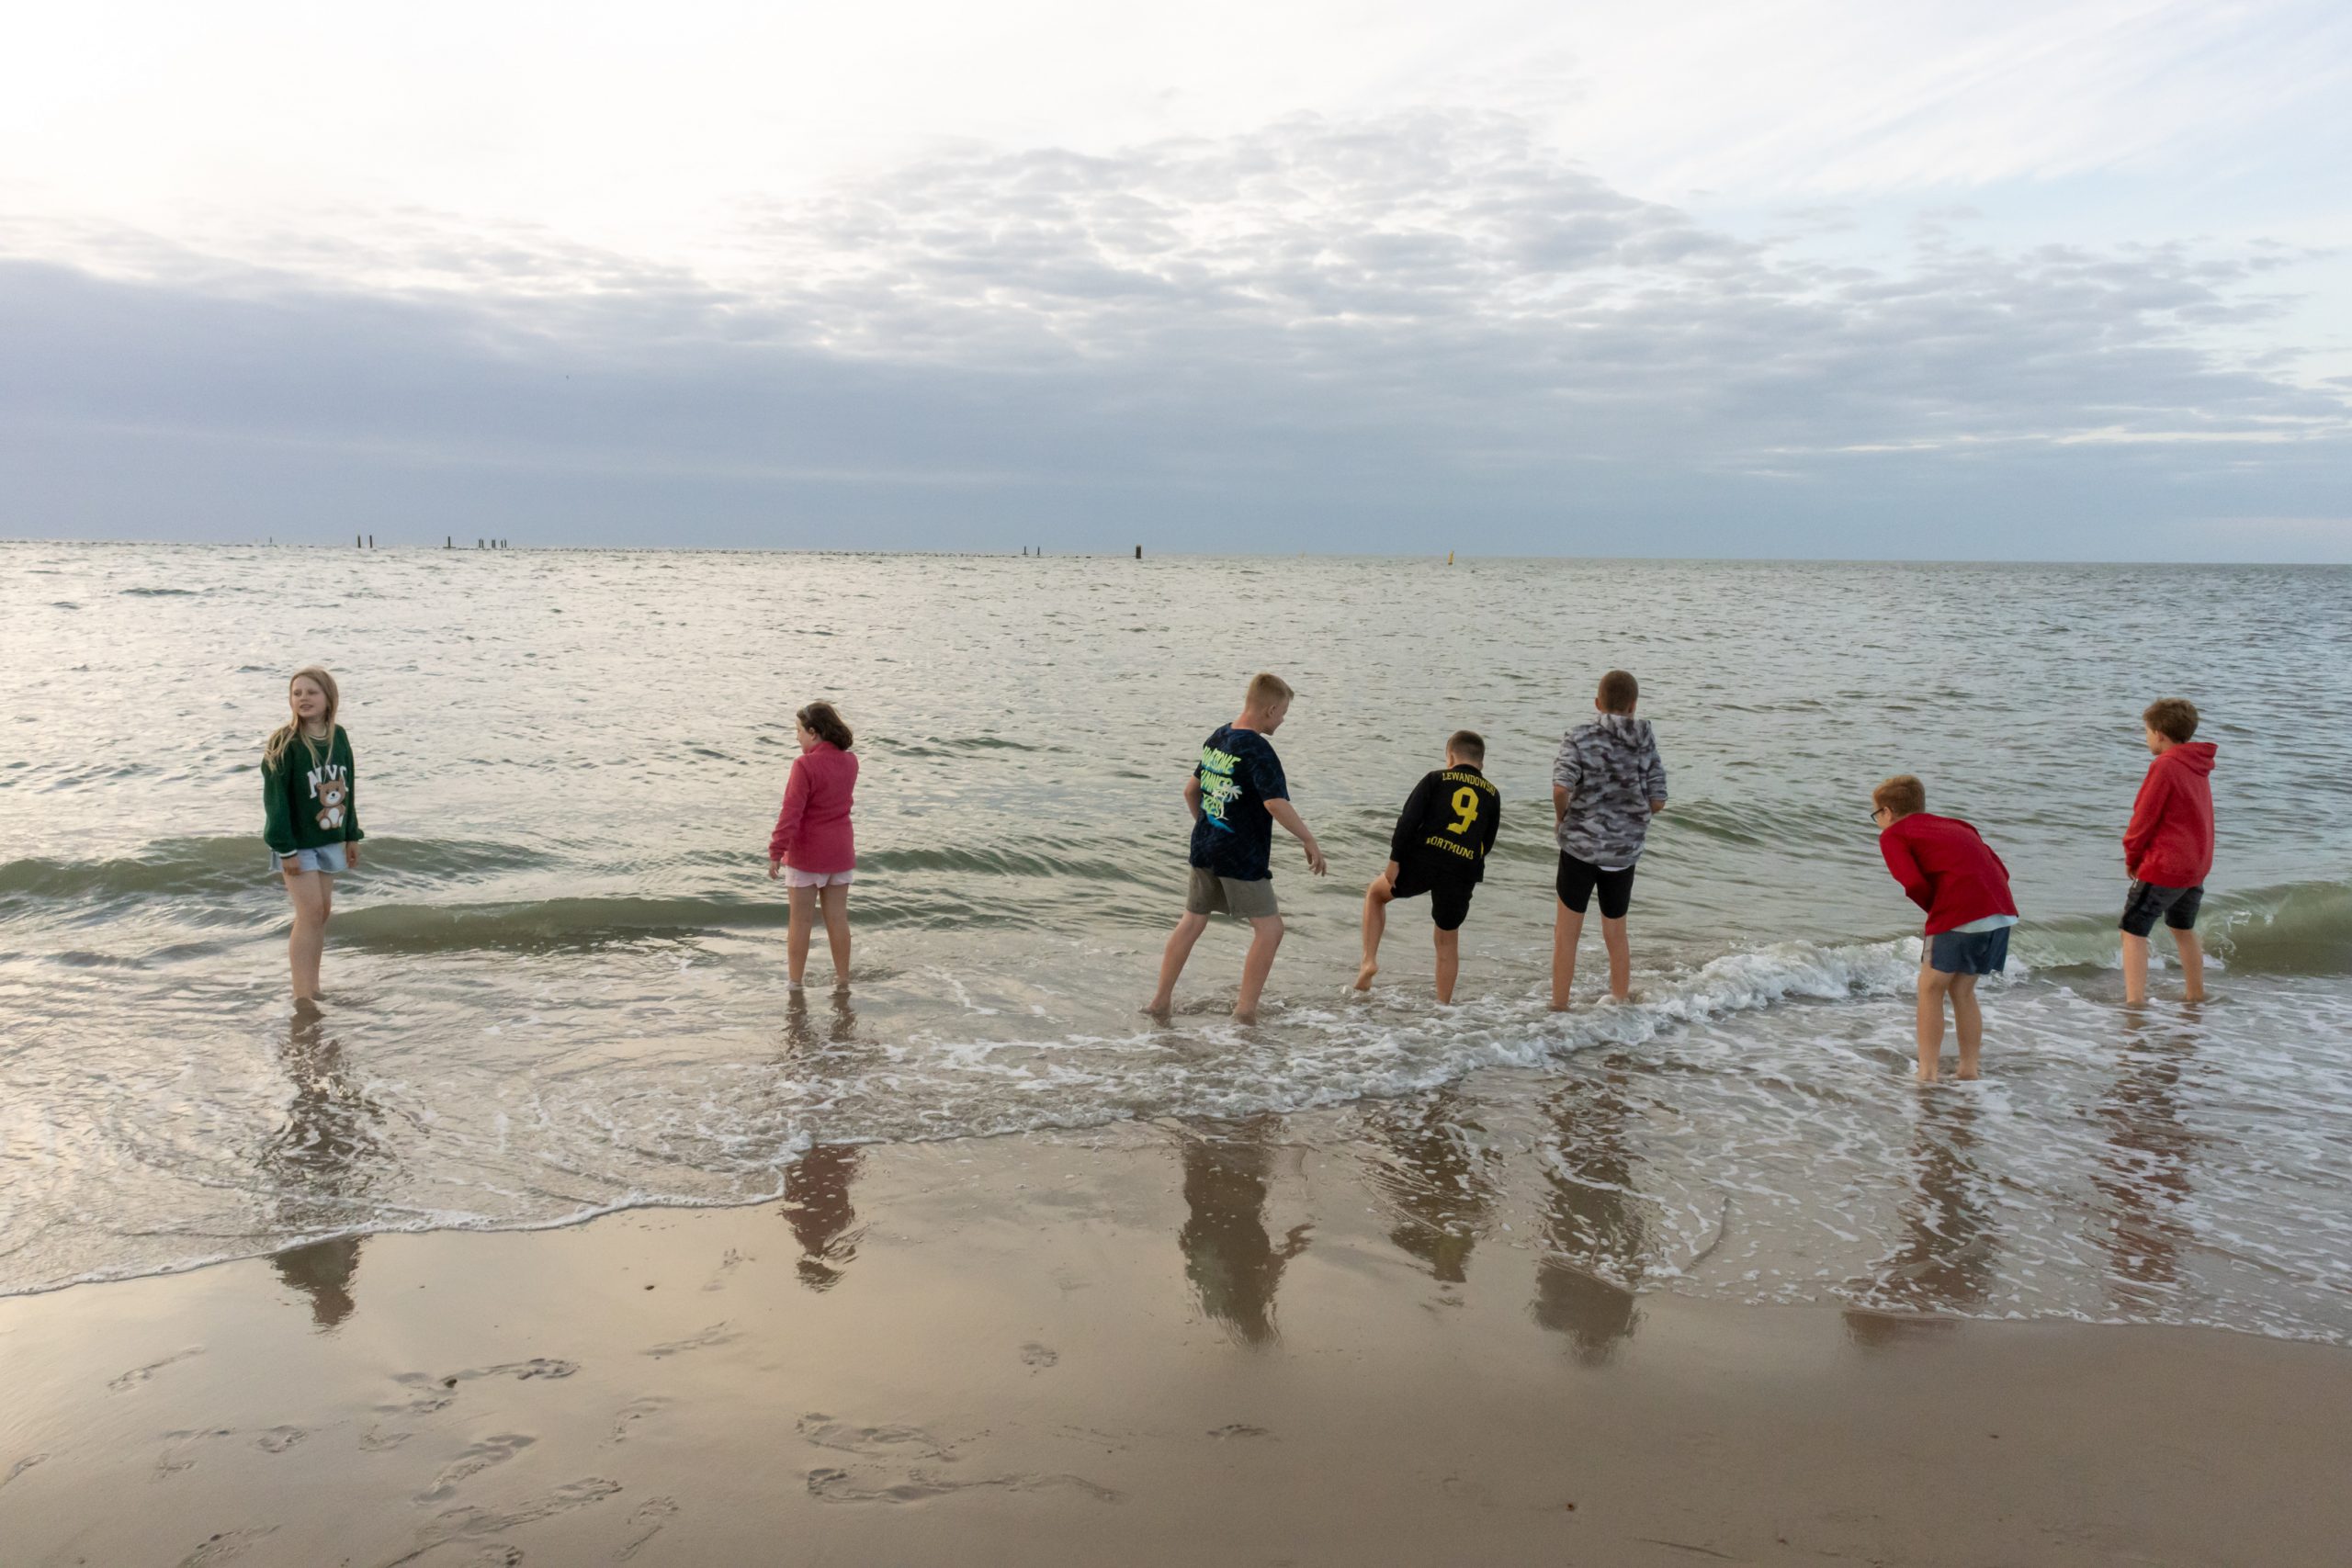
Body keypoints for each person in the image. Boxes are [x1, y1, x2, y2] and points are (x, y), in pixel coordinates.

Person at [1148, 672, 1327, 1023]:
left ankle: (1160, 1002)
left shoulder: (1219, 736)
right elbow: (1274, 803)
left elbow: (1190, 791)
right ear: (1270, 709)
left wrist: (1210, 827)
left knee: (1191, 922)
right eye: (1283, 713)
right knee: (1270, 930)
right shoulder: (1258, 749)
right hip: (1240, 855)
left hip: (1204, 846)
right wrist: (1308, 839)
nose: (1283, 720)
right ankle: (1245, 1013)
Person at [1872, 774, 2018, 1083]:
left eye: (1876, 815)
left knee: (1930, 988)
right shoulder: (1958, 825)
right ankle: (1969, 1070)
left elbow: (1912, 882)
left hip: (1960, 913)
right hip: (2001, 912)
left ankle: (1927, 1074)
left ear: (1887, 812)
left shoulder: (1894, 835)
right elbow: (2001, 870)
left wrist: (1937, 910)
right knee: (1963, 991)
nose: (1878, 822)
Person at [1550, 670, 1668, 1010]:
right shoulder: (1645, 741)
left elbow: (1560, 788)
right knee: (1616, 933)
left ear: (1597, 703)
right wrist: (1631, 816)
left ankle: (1559, 1007)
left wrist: (1563, 818)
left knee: (1566, 935)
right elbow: (1658, 800)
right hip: (1622, 854)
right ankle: (1618, 1001)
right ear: (1633, 705)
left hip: (1579, 849)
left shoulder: (1579, 737)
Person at [1354, 730, 1500, 1002]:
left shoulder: (1436, 779)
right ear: (1481, 763)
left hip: (1424, 859)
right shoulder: (1492, 793)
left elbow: (1408, 821)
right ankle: (1443, 1006)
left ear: (1450, 757)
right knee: (1447, 940)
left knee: (1375, 894)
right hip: (1462, 869)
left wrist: (1395, 860)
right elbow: (1487, 842)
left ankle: (1368, 961)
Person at [261, 666, 363, 1010]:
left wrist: (352, 835)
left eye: (311, 692)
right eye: (297, 693)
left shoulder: (339, 737)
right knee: (310, 912)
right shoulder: (284, 743)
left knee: (322, 912)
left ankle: (314, 988)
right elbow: (275, 801)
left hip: (329, 839)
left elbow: (348, 789)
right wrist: (285, 848)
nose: (303, 698)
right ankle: (302, 994)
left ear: (328, 698)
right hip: (296, 844)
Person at [2120, 697, 2217, 1006]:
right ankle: (2195, 995)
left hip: (2166, 865)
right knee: (2182, 927)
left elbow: (2144, 818)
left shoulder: (2165, 765)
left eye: (2147, 731)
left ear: (2159, 734)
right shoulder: (2197, 764)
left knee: (2133, 930)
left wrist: (2133, 856)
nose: (2147, 737)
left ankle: (2134, 1003)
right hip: (2194, 865)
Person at [767, 701, 859, 992]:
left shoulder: (804, 765)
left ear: (813, 732)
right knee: (838, 919)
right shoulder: (850, 761)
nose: (796, 737)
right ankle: (843, 981)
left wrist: (776, 851)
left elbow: (791, 813)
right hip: (840, 851)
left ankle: (795, 985)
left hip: (808, 854)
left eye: (798, 731)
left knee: (800, 922)